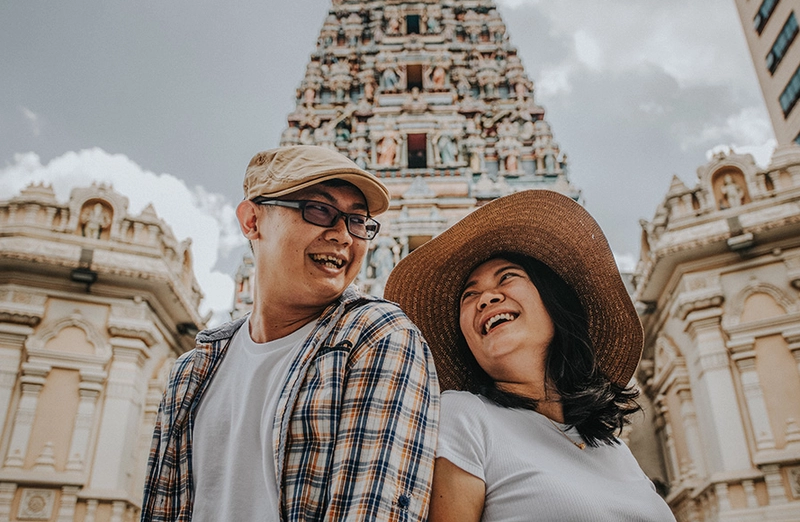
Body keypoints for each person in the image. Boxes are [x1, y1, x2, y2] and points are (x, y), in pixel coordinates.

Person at [141, 144, 439, 521]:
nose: (344, 236)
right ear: (252, 220)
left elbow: (373, 510)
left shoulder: (376, 338)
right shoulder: (192, 372)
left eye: (358, 221)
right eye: (319, 210)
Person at [384, 190, 675, 522]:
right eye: (470, 294)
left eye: (507, 277)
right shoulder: (464, 415)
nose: (486, 298)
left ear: (555, 303)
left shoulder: (614, 449)